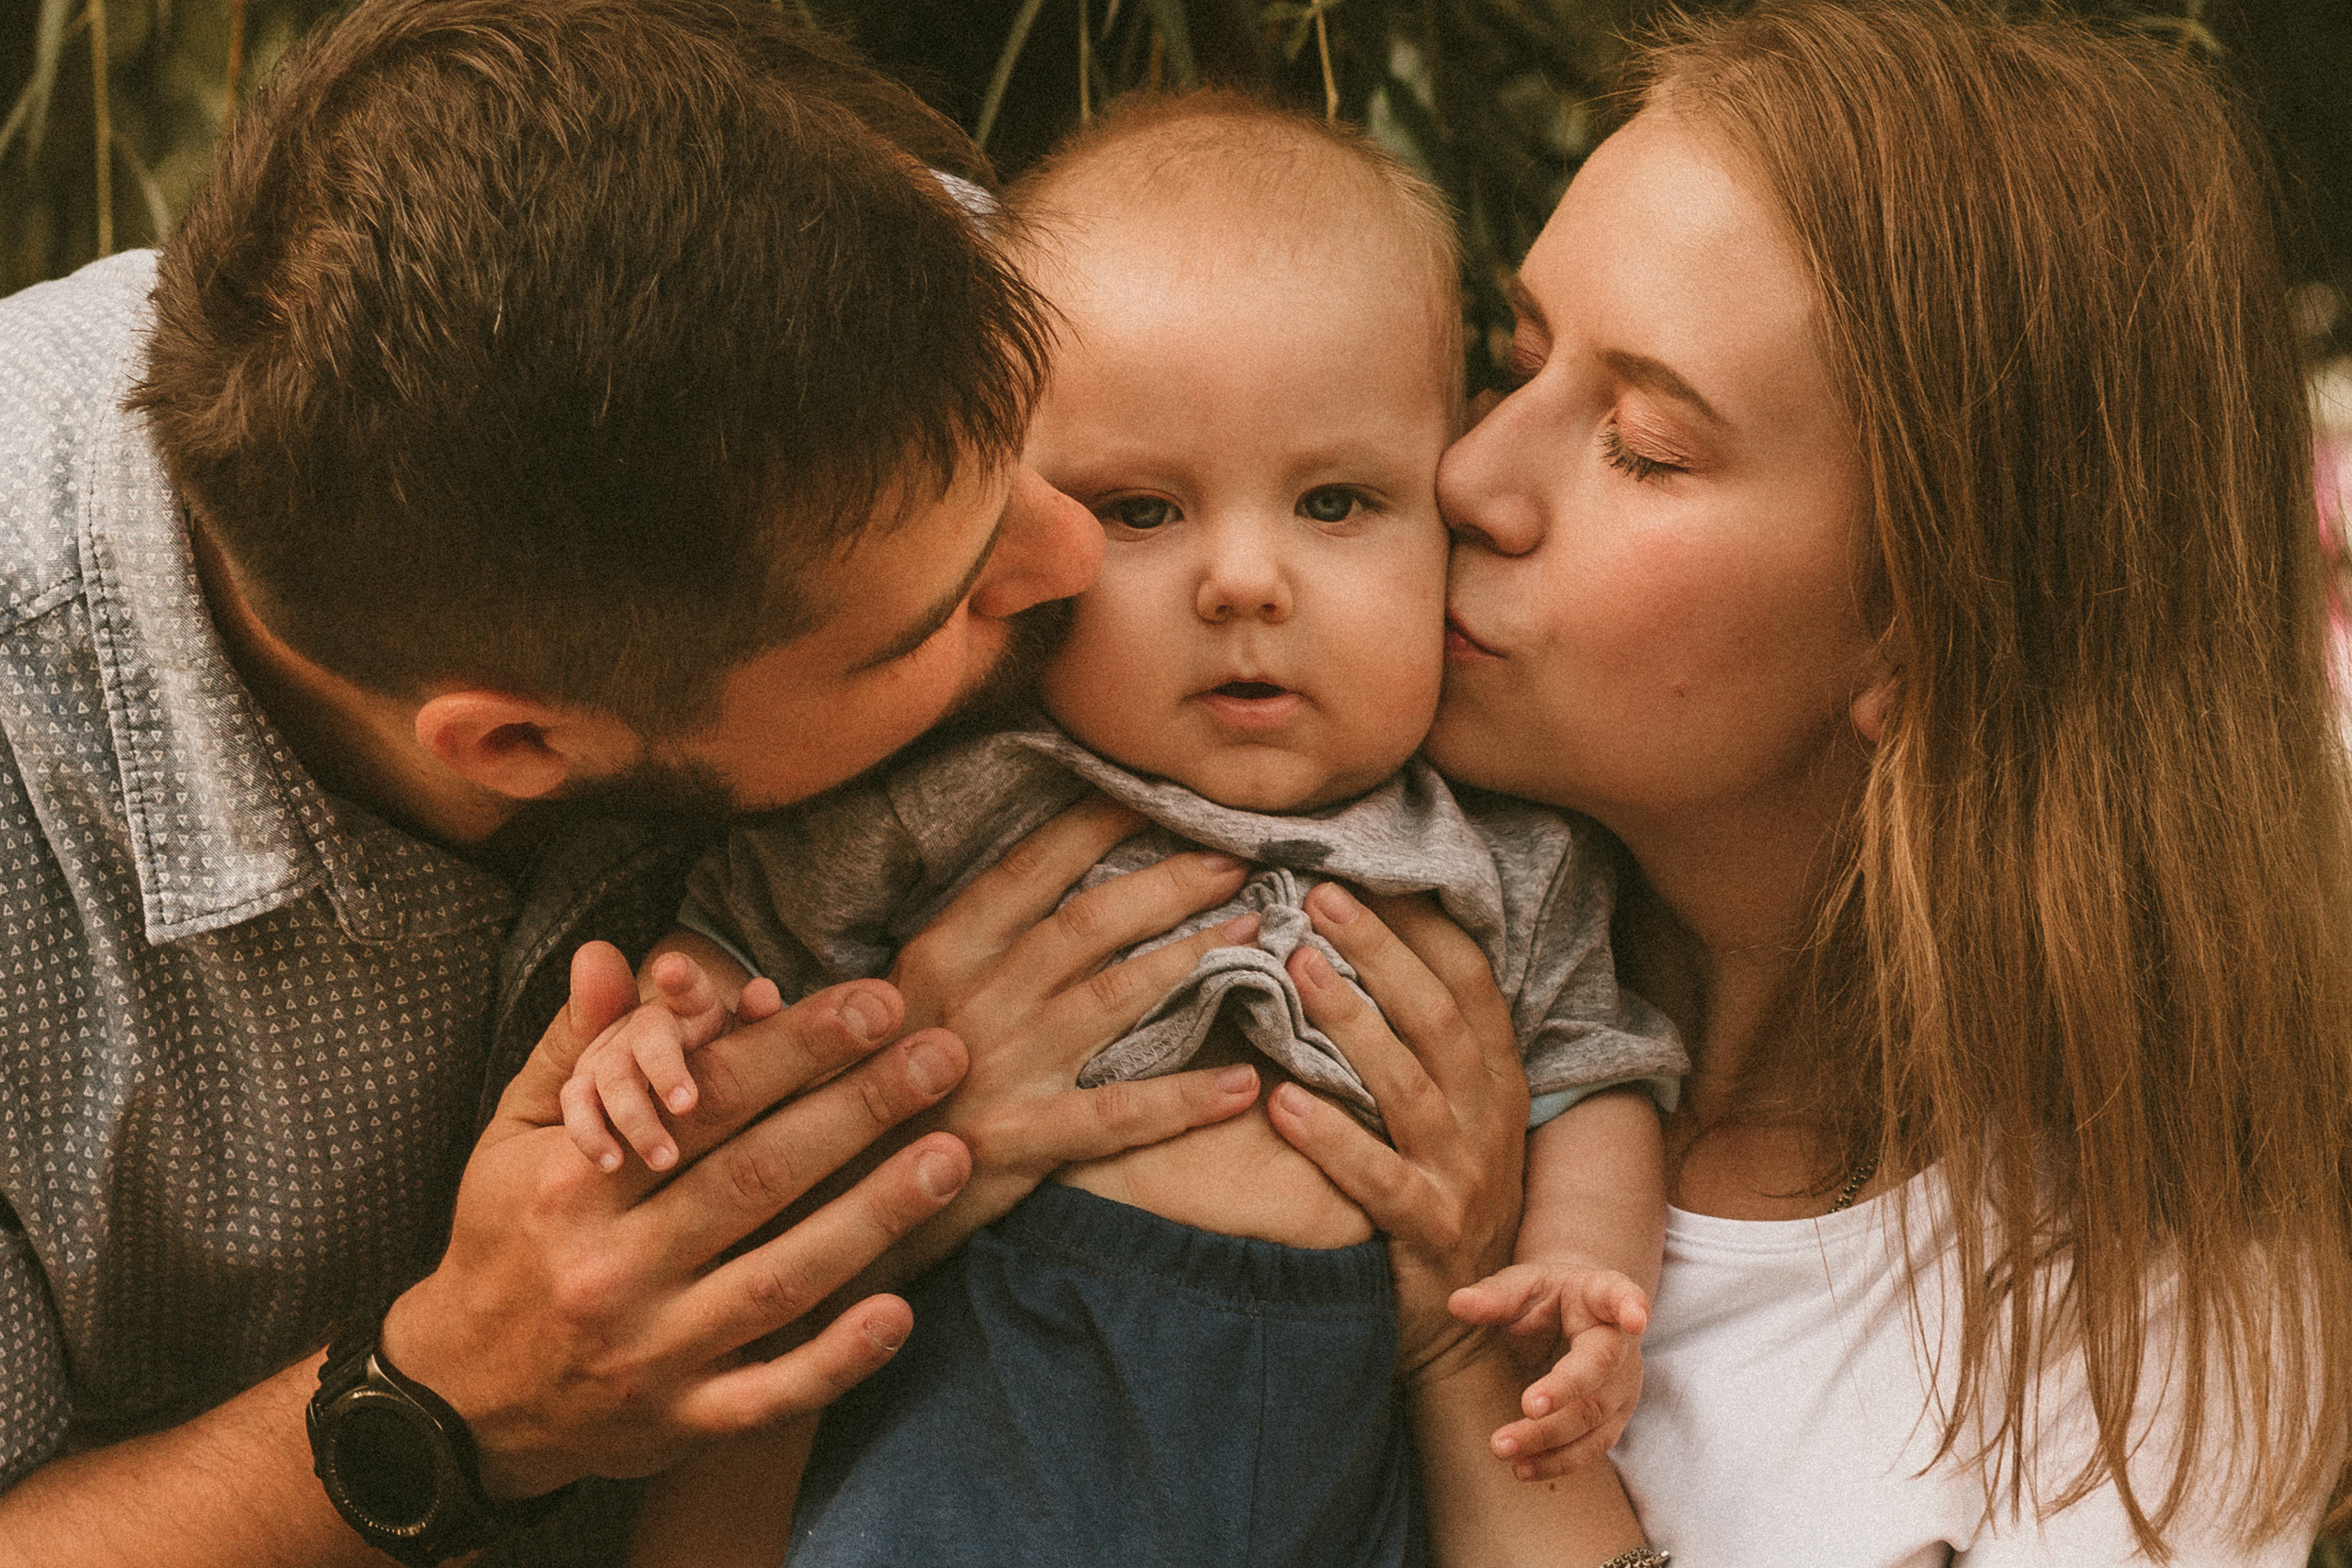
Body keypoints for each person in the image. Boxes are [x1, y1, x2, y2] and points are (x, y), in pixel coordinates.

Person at [0, 4, 1274, 1563]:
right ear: (520, 745)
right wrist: (451, 1402)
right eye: (937, 617)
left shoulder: (860, 245)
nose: (1075, 551)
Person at [1268, 2, 2352, 1562]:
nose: (1471, 477)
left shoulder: (2151, 1326)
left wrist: (1461, 1355)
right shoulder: (1262, 879)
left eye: (1643, 444)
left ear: (1927, 627)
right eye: (1517, 360)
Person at [561, 94, 1682, 1567]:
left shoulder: (1509, 860)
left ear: (1446, 507)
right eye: (1144, 511)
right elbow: (746, 942)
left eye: (1335, 501)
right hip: (981, 1454)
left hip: (1337, 1472)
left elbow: (1594, 1074)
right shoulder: (972, 794)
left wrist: (1583, 1272)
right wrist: (666, 1029)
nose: (1245, 582)